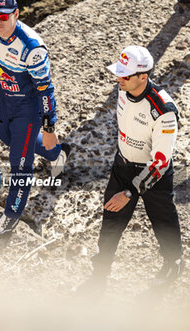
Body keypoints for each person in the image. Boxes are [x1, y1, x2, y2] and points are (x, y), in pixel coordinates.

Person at [78, 45, 183, 295]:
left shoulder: (164, 112)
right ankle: (101, 269)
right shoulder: (124, 90)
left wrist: (128, 193)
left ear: (143, 76)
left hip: (153, 174)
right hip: (123, 165)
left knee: (163, 221)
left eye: (125, 75)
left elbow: (160, 163)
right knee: (111, 220)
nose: (119, 79)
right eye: (119, 73)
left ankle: (173, 264)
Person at [0, 0, 70, 235]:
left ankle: (11, 215)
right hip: (7, 96)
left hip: (29, 107)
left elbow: (45, 89)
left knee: (20, 163)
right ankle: (57, 153)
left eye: (4, 17)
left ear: (16, 14)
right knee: (7, 137)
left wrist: (49, 126)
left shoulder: (32, 48)